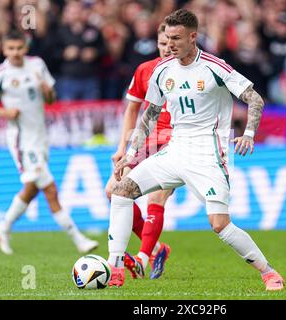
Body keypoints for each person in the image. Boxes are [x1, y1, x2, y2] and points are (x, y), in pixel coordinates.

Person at [106, 9, 285, 291]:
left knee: (219, 224)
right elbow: (149, 115)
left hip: (209, 153)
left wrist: (249, 134)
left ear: (193, 37)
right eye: (166, 38)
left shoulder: (216, 67)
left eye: (176, 38)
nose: (170, 45)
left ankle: (268, 272)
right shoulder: (163, 71)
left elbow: (255, 99)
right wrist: (130, 154)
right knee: (120, 192)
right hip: (175, 149)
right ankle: (115, 269)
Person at [0, 30, 99, 255]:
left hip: (40, 135)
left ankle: (3, 226)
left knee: (32, 188)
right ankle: (78, 238)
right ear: (4, 49)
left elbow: (51, 99)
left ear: (26, 47)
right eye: (10, 49)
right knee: (50, 189)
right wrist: (3, 113)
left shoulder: (37, 65)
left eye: (19, 48)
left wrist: (48, 91)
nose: (15, 53)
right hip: (22, 139)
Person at [104, 23, 173, 280]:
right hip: (147, 140)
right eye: (162, 43)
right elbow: (132, 109)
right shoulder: (145, 70)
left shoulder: (190, 71)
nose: (168, 48)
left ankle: (139, 260)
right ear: (157, 43)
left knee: (156, 198)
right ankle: (156, 248)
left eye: (172, 42)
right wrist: (122, 147)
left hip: (177, 141)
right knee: (112, 191)